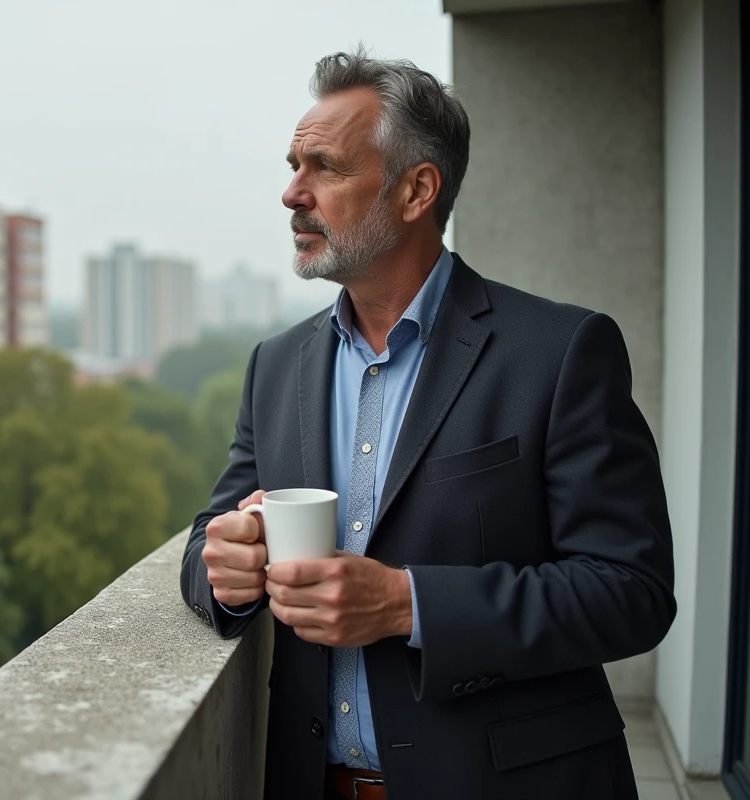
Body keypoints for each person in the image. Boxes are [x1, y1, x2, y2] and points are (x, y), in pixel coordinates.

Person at [179, 47, 675, 800]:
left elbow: (630, 591)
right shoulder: (274, 367)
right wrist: (226, 573)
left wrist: (407, 604)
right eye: (291, 164)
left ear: (416, 191)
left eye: (324, 167)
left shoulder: (561, 351)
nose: (291, 193)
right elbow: (208, 537)